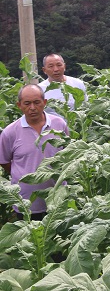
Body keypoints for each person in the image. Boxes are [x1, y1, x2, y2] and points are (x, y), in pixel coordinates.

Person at [0, 84, 69, 219]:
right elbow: (4, 161)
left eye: (37, 102)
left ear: (44, 103)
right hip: (27, 203)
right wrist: (22, 174)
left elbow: (68, 153)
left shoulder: (59, 124)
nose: (32, 108)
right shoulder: (9, 132)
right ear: (19, 105)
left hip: (58, 197)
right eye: (27, 103)